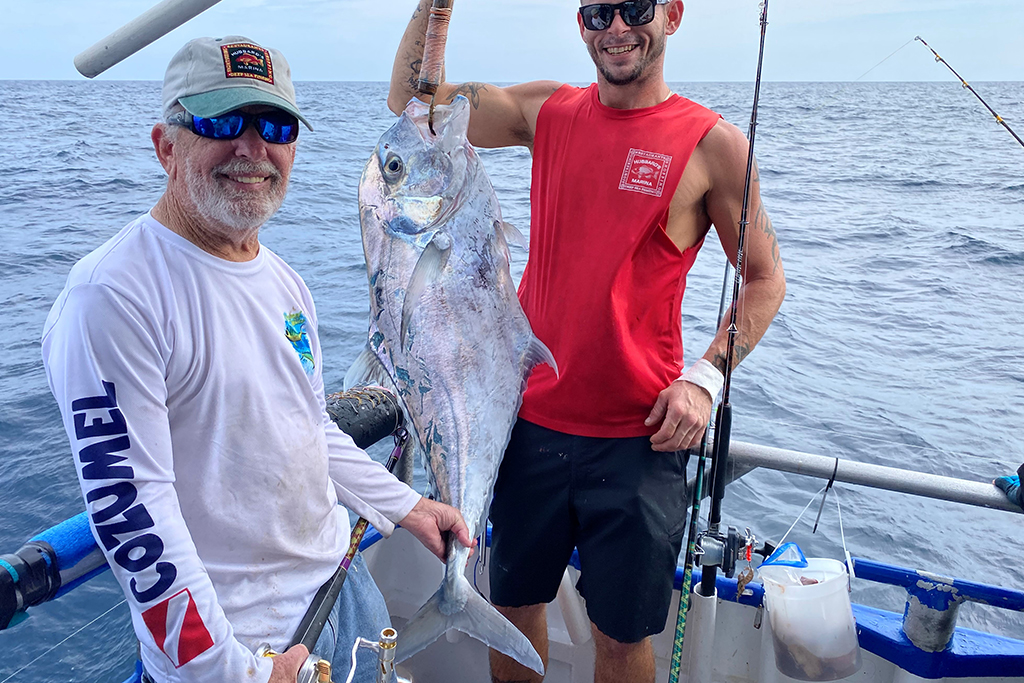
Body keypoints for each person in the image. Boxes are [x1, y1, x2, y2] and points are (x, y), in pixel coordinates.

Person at [42, 36, 473, 683]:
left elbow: (307, 426)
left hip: (340, 591)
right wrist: (233, 672)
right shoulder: (113, 296)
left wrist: (406, 506)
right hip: (243, 642)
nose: (252, 148)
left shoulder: (284, 282)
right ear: (166, 144)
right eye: (221, 122)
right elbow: (131, 512)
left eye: (273, 126)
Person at [388, 2, 787, 681]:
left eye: (633, 8)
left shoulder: (713, 144)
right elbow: (412, 104)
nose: (615, 29)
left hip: (641, 438)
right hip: (526, 423)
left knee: (620, 635)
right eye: (597, 13)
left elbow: (764, 277)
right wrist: (439, 5)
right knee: (511, 605)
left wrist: (705, 379)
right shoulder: (547, 112)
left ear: (673, 14)